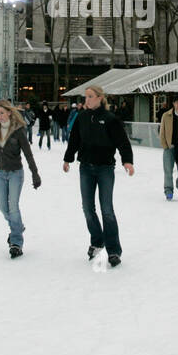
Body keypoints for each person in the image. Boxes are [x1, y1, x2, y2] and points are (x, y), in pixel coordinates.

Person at [63, 85, 134, 267]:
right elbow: (74, 140)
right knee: (87, 208)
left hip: (105, 169)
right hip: (86, 167)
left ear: (100, 98)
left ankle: (114, 251)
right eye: (85, 97)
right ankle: (97, 241)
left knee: (107, 210)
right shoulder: (82, 117)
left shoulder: (110, 119)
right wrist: (68, 159)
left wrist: (127, 161)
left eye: (90, 96)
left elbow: (122, 142)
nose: (86, 100)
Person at [0, 100, 41, 257]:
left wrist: (35, 173)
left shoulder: (18, 130)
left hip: (15, 173)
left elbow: (28, 153)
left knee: (13, 207)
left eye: (2, 113)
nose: (0, 116)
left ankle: (16, 242)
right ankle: (18, 227)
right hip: (0, 173)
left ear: (10, 112)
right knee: (3, 208)